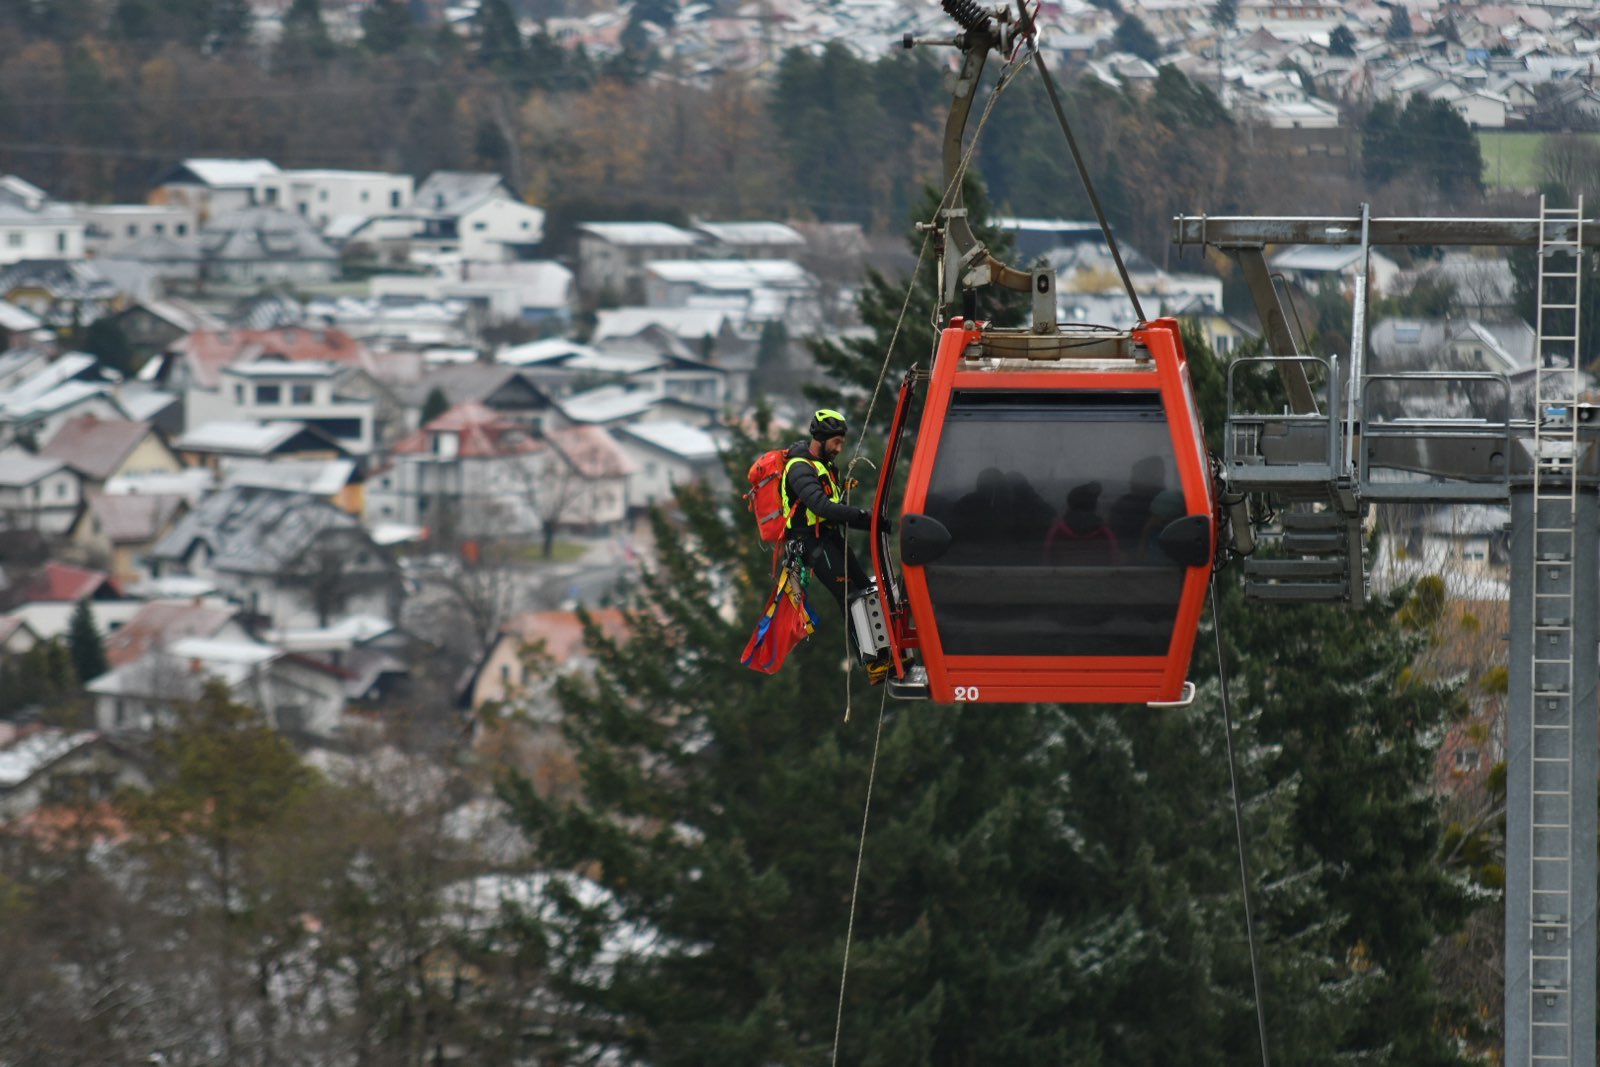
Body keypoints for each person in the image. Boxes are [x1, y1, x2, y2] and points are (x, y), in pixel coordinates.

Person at [782, 409, 889, 680]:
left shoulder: (826, 466)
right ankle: (872, 664)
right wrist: (868, 520)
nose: (840, 448)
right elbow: (822, 507)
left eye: (842, 442)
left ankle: (885, 652)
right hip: (810, 543)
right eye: (836, 442)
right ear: (821, 438)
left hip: (829, 539)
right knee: (850, 598)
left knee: (865, 589)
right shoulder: (798, 468)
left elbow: (834, 504)